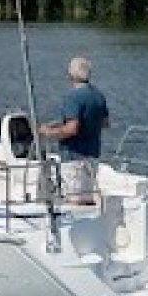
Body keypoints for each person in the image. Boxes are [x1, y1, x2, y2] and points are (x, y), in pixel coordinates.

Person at [39, 56, 109, 204]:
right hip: (93, 154)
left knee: (74, 200)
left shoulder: (74, 97)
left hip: (74, 156)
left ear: (71, 75)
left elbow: (72, 129)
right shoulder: (98, 96)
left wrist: (48, 132)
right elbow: (104, 123)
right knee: (87, 197)